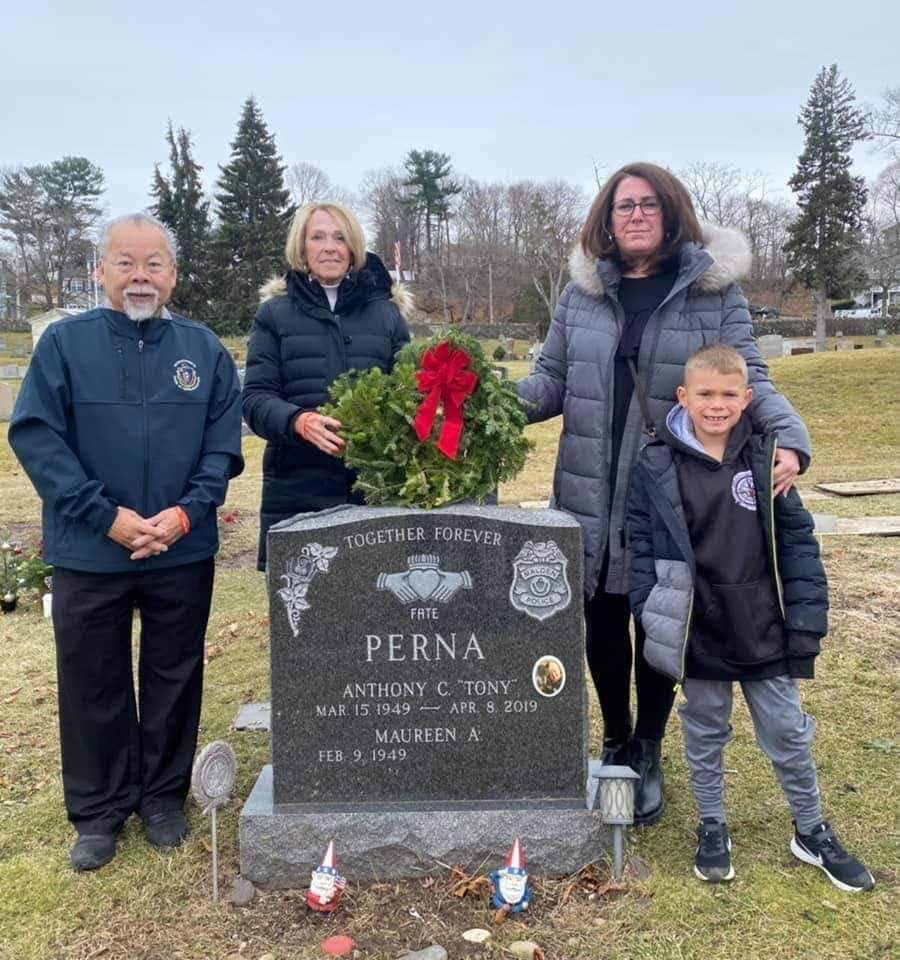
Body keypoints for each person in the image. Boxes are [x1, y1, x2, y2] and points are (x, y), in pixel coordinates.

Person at [517, 162, 811, 824]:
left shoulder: (713, 295)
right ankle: (616, 735)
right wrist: (485, 406)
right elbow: (549, 380)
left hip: (667, 484)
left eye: (650, 204)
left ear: (672, 212)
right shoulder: (581, 295)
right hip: (587, 484)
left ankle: (649, 744)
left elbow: (750, 376)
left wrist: (789, 439)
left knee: (659, 611)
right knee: (599, 609)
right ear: (607, 219)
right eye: (624, 206)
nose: (638, 215)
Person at [9, 214, 244, 872]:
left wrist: (185, 515)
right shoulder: (65, 346)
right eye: (125, 263)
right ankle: (101, 810)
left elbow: (221, 450)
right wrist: (103, 515)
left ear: (173, 275)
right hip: (91, 548)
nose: (140, 276)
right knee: (94, 680)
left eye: (154, 264)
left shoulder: (204, 351)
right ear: (101, 271)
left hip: (180, 548)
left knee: (174, 674)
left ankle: (164, 798)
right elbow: (37, 437)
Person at [626, 344, 874, 891]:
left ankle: (811, 829)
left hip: (763, 625)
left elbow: (797, 543)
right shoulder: (655, 463)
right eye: (706, 394)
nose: (717, 405)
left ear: (748, 398)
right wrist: (650, 610)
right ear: (685, 397)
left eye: (728, 394)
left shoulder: (767, 460)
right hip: (700, 627)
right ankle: (712, 825)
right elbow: (639, 546)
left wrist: (806, 619)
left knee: (787, 731)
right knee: (705, 729)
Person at [242, 202, 411, 570]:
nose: (329, 247)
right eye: (317, 237)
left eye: (339, 237)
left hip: (373, 489)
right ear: (302, 247)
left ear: (354, 248)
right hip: (297, 487)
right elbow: (256, 399)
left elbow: (411, 394)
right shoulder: (275, 315)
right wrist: (298, 421)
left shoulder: (386, 314)